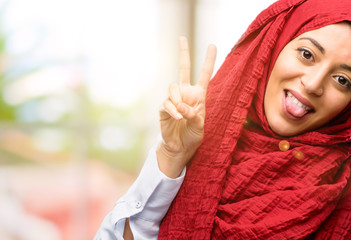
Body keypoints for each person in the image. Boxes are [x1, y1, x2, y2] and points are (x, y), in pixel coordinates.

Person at [95, 0, 351, 239]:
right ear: (273, 46)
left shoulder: (343, 193)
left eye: (342, 80)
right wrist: (173, 155)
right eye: (307, 54)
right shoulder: (199, 143)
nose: (313, 84)